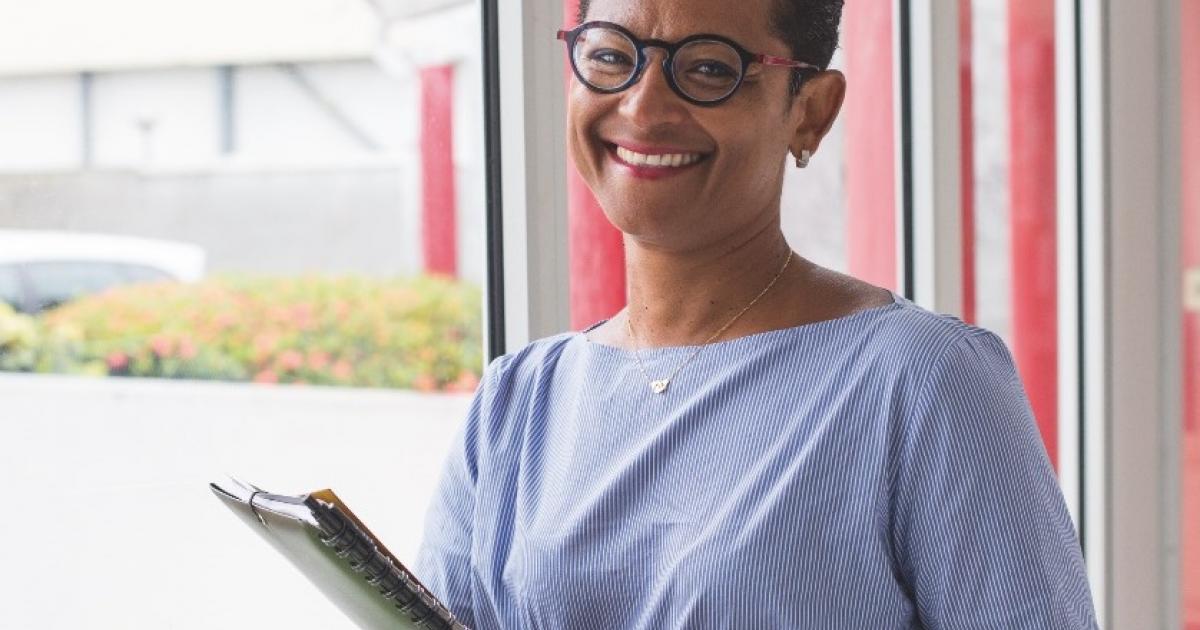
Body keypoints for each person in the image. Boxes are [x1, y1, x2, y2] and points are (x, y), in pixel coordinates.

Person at [416, 0, 1099, 627]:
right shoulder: (517, 402)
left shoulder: (922, 379)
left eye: (710, 68)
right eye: (610, 56)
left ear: (811, 111)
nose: (644, 106)